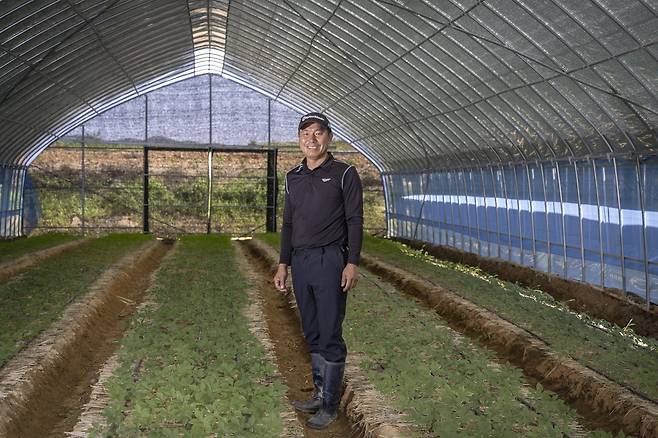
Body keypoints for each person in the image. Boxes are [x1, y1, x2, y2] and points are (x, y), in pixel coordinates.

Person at [273, 112, 363, 430]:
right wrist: (283, 263)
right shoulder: (293, 177)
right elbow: (287, 224)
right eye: (305, 134)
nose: (311, 139)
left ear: (329, 137)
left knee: (330, 333)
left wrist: (351, 262)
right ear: (299, 139)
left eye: (318, 133)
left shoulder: (344, 173)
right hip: (301, 261)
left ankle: (329, 405)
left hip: (330, 261)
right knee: (311, 330)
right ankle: (319, 391)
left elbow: (354, 221)